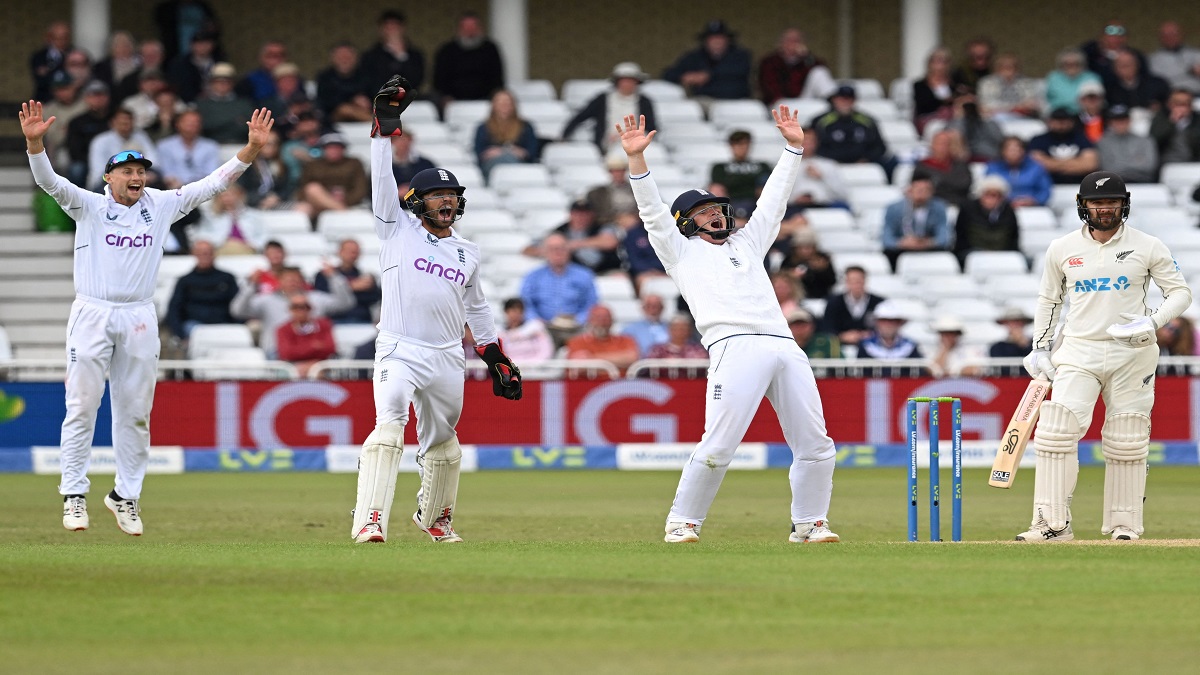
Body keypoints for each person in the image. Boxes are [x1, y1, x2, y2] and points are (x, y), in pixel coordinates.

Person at [22, 99, 273, 536]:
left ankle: (126, 497)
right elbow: (50, 183)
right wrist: (34, 143)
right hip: (93, 312)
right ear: (108, 177)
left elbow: (213, 184)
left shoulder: (160, 205)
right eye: (127, 170)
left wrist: (250, 150)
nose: (137, 176)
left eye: (141, 170)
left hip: (138, 315)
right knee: (81, 405)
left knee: (135, 412)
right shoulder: (88, 206)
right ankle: (74, 495)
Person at [619, 107, 839, 545]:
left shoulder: (748, 242)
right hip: (732, 345)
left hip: (783, 343)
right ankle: (682, 522)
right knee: (719, 446)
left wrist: (793, 148)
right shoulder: (678, 251)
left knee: (817, 443)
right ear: (685, 223)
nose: (717, 216)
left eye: (717, 208)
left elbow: (773, 203)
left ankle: (810, 523)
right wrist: (637, 161)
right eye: (704, 213)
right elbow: (651, 212)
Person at [350, 75, 521, 545]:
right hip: (399, 348)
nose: (445, 201)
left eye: (451, 196)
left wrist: (494, 355)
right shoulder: (395, 228)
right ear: (416, 202)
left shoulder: (467, 252)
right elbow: (381, 182)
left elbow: (478, 307)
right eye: (435, 196)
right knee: (389, 427)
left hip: (448, 355)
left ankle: (434, 517)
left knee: (443, 445)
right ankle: (369, 519)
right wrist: (384, 131)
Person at [1016, 170, 1191, 542]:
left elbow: (1180, 293)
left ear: (1123, 204)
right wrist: (1039, 347)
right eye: (1097, 202)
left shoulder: (1148, 245)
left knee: (1127, 436)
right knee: (1057, 430)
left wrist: (1153, 321)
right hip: (1079, 349)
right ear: (1083, 206)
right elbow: (1049, 299)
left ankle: (1124, 526)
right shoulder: (1062, 249)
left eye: (1111, 202)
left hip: (1133, 353)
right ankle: (1050, 524)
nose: (1105, 209)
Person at [231, 265, 353, 357]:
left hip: (315, 354)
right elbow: (237, 311)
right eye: (288, 279)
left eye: (296, 278)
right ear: (279, 281)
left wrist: (334, 277)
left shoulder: (317, 298)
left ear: (303, 281)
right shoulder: (266, 300)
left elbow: (346, 304)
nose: (292, 282)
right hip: (277, 353)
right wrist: (251, 285)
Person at [562, 61, 657, 152]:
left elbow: (651, 127)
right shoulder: (603, 99)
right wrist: (565, 135)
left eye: (630, 81)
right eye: (624, 80)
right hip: (607, 146)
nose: (627, 84)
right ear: (617, 82)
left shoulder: (645, 102)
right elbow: (581, 116)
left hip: (636, 146)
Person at [809, 84, 894, 178]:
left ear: (854, 101)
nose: (845, 102)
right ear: (834, 100)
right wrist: (833, 161)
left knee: (891, 163)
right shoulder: (821, 122)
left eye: (849, 99)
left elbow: (879, 147)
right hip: (829, 166)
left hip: (863, 166)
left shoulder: (867, 121)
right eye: (842, 99)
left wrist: (865, 159)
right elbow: (812, 146)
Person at [164, 240, 240, 340]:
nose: (205, 256)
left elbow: (238, 306)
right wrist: (180, 334)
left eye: (207, 253)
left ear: (214, 254)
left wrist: (238, 327)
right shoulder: (185, 281)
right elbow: (174, 309)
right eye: (201, 253)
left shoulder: (227, 278)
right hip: (194, 326)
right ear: (195, 255)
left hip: (223, 324)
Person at [519, 231, 598, 327]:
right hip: (541, 329)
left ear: (568, 250)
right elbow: (526, 305)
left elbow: (591, 304)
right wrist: (537, 322)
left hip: (576, 328)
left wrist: (577, 321)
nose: (558, 252)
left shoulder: (584, 275)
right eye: (552, 249)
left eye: (562, 248)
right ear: (545, 252)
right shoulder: (533, 277)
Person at [662, 19, 752, 102]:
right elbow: (668, 74)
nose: (716, 42)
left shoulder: (740, 56)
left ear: (727, 40)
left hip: (735, 101)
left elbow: (738, 71)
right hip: (704, 101)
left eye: (720, 38)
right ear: (705, 41)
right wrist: (685, 76)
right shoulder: (695, 57)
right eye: (712, 39)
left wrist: (708, 75)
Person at [880, 174, 951, 271]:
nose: (921, 194)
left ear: (931, 192)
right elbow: (887, 238)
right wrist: (901, 243)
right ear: (909, 191)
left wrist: (928, 242)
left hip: (928, 247)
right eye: (918, 190)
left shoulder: (939, 208)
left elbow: (944, 237)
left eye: (926, 190)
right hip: (902, 249)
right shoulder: (894, 209)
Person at [433, 11, 505, 106]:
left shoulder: (490, 49)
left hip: (485, 100)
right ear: (459, 29)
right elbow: (439, 79)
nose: (470, 30)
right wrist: (446, 96)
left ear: (480, 28)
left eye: (473, 26)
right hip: (453, 101)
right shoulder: (447, 50)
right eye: (466, 26)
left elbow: (497, 78)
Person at [294, 133, 369, 222]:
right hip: (318, 202)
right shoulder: (313, 165)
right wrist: (323, 199)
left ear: (343, 149)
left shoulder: (354, 163)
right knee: (305, 202)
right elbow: (303, 188)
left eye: (337, 147)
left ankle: (339, 210)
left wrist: (346, 198)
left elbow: (360, 188)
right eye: (329, 147)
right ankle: (342, 211)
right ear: (323, 149)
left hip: (348, 201)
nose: (333, 150)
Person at [953, 175, 1021, 269]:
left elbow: (1013, 238)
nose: (991, 199)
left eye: (995, 195)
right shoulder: (967, 210)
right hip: (972, 252)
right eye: (987, 195)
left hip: (1002, 254)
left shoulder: (1008, 212)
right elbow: (961, 237)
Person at [757, 27, 836, 105]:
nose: (792, 44)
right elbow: (769, 85)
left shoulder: (807, 60)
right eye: (789, 40)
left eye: (796, 41)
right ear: (781, 43)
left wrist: (807, 56)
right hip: (780, 102)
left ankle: (836, 104)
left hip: (803, 99)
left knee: (819, 71)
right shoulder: (770, 61)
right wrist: (779, 99)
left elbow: (821, 70)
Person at [312, 238, 381, 324]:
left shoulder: (365, 276)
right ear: (339, 252)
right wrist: (351, 286)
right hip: (333, 320)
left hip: (361, 320)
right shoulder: (325, 274)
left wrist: (342, 289)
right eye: (349, 251)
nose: (353, 254)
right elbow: (322, 297)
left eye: (356, 251)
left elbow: (373, 298)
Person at [473, 89, 538, 180]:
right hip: (491, 166)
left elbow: (532, 152)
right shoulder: (483, 128)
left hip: (519, 164)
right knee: (504, 160)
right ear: (493, 105)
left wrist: (518, 152)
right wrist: (498, 152)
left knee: (509, 159)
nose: (504, 106)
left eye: (507, 103)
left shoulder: (526, 127)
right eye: (500, 103)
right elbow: (479, 152)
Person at [86, 108, 156, 191]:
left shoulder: (141, 137)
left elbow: (154, 160)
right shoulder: (101, 141)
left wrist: (146, 174)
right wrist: (124, 178)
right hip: (106, 181)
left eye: (128, 122)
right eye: (122, 123)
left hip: (138, 177)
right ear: (112, 123)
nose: (126, 126)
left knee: (157, 180)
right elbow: (99, 170)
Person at [1028, 107, 1099, 185]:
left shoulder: (1081, 138)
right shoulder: (1039, 140)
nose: (1061, 124)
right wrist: (1075, 162)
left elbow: (1090, 164)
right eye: (1057, 120)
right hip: (1048, 185)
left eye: (1064, 120)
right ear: (1049, 122)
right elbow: (1036, 164)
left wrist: (1052, 164)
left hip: (1078, 185)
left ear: (1072, 122)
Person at [360, 10, 426, 93]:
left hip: (410, 100)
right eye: (388, 28)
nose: (392, 31)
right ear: (381, 30)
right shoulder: (370, 56)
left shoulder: (415, 55)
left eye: (395, 27)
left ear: (402, 29)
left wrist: (401, 55)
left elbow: (416, 80)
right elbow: (370, 81)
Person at [192, 182, 267, 254]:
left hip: (248, 249)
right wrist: (219, 242)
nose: (227, 199)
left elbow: (263, 235)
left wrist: (254, 245)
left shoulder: (253, 215)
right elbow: (202, 234)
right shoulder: (211, 216)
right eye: (223, 196)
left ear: (239, 195)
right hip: (220, 249)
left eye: (230, 195)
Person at [821, 265, 885, 347]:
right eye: (852, 281)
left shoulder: (879, 302)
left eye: (858, 281)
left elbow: (887, 325)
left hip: (872, 346)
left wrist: (870, 334)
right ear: (846, 282)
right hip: (839, 346)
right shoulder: (833, 302)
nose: (855, 285)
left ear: (865, 281)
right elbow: (827, 326)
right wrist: (841, 336)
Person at [785, 127, 848, 211]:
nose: (807, 144)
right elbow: (777, 196)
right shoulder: (785, 166)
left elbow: (842, 195)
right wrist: (795, 199)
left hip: (824, 207)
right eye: (804, 140)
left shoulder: (829, 165)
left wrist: (822, 177)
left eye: (810, 141)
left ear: (816, 142)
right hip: (794, 208)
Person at [566, 304, 640, 374]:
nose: (602, 322)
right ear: (589, 320)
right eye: (598, 318)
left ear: (612, 320)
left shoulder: (625, 340)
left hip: (621, 385)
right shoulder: (577, 342)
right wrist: (617, 362)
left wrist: (592, 358)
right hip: (587, 385)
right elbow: (578, 366)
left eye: (606, 318)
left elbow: (632, 359)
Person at [275, 293, 337, 377]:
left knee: (317, 370)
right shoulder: (283, 329)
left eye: (305, 306)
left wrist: (300, 350)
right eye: (296, 307)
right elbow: (286, 353)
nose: (301, 310)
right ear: (290, 309)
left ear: (310, 308)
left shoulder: (324, 325)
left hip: (320, 363)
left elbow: (330, 348)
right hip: (292, 366)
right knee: (297, 372)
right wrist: (313, 346)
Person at [194, 62, 256, 143]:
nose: (222, 84)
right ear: (211, 83)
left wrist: (216, 122)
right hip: (209, 146)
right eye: (218, 81)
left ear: (233, 83)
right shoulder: (202, 104)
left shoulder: (244, 103)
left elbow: (247, 128)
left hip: (239, 144)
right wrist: (235, 121)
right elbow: (204, 126)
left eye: (227, 81)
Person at [856, 300, 924, 373]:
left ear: (899, 323)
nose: (888, 325)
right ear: (877, 323)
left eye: (892, 321)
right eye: (884, 320)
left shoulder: (910, 346)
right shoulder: (865, 345)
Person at [710, 130, 771, 209]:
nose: (742, 147)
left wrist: (735, 182)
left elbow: (767, 188)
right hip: (730, 204)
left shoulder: (762, 166)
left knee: (768, 189)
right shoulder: (719, 167)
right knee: (715, 189)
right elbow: (718, 188)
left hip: (757, 205)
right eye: (738, 143)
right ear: (731, 145)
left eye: (745, 143)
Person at [985, 136, 1052, 207]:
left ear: (1023, 151)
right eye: (1010, 150)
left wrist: (1034, 200)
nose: (1014, 153)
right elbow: (988, 191)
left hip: (1032, 207)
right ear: (1002, 151)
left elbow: (1045, 191)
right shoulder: (993, 168)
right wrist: (1005, 201)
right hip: (1001, 208)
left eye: (1017, 149)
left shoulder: (1036, 168)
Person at [1097, 105, 1158, 183]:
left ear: (1129, 121)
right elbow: (1107, 168)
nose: (1120, 124)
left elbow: (1150, 166)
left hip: (1142, 182)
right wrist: (1136, 161)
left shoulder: (1145, 141)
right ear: (1110, 123)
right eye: (1116, 120)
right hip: (1113, 183)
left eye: (1123, 120)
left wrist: (1119, 163)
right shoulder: (1103, 142)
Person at [914, 128, 973, 208]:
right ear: (932, 146)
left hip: (959, 204)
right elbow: (919, 188)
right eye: (939, 144)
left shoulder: (960, 165)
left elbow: (964, 184)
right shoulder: (923, 165)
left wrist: (940, 182)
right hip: (931, 205)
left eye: (946, 144)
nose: (942, 147)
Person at [316, 42, 373, 123]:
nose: (344, 60)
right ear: (333, 59)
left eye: (348, 57)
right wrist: (353, 100)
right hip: (335, 118)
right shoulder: (325, 78)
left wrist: (366, 102)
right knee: (345, 110)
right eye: (340, 57)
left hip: (365, 112)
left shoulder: (366, 75)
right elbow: (327, 103)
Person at [976, 53, 1043, 121]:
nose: (1008, 71)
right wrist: (1013, 107)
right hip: (994, 118)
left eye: (1011, 67)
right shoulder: (987, 83)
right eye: (1004, 67)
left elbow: (1031, 103)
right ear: (997, 69)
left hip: (1022, 117)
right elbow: (986, 105)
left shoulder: (1026, 83)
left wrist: (1019, 108)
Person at [1104, 49, 1170, 115]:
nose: (1126, 67)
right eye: (1122, 65)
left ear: (1137, 64)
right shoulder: (1109, 89)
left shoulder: (1157, 84)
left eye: (1129, 63)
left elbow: (1169, 104)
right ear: (1114, 68)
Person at [779, 228, 836, 299]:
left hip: (821, 297)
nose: (805, 251)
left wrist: (822, 271)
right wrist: (790, 275)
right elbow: (779, 279)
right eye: (801, 248)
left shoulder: (823, 260)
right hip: (795, 300)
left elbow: (832, 281)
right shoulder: (789, 260)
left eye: (808, 247)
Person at [912, 47, 957, 135]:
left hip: (952, 120)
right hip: (929, 120)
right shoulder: (919, 85)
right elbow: (923, 105)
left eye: (944, 62)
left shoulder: (954, 85)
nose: (940, 66)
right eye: (936, 62)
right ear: (929, 64)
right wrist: (945, 102)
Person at [1044, 48, 1103, 116]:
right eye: (1067, 64)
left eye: (1076, 64)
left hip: (1085, 114)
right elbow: (1046, 99)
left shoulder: (1091, 77)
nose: (1071, 67)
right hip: (1059, 114)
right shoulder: (1053, 77)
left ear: (1082, 64)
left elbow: (1098, 101)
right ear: (1061, 65)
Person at [1148, 88, 1200, 164]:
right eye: (1178, 103)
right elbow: (1154, 141)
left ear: (1191, 105)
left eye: (1186, 103)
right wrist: (1172, 122)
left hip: (1194, 161)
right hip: (1167, 162)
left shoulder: (1197, 119)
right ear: (1169, 104)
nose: (1182, 107)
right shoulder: (1161, 117)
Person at [1148, 20, 1200, 93]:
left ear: (1181, 35)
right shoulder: (1153, 60)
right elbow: (1158, 82)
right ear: (1160, 38)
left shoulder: (1196, 54)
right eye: (1165, 35)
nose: (1170, 38)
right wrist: (1189, 72)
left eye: (1173, 34)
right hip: (1172, 97)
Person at [497, 298, 554, 363]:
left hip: (534, 369)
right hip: (510, 369)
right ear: (506, 312)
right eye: (513, 311)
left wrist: (534, 364)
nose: (516, 315)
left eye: (519, 311)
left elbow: (546, 351)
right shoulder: (499, 333)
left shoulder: (536, 328)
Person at [30, 21, 73, 100]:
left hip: (70, 101)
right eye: (58, 38)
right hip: (45, 99)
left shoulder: (75, 54)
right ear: (49, 38)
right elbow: (41, 80)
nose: (62, 41)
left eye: (65, 38)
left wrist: (49, 70)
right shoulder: (39, 56)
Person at [990, 305, 1033, 376]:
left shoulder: (1036, 345)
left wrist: (1025, 345)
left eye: (1018, 322)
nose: (1015, 325)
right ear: (1006, 324)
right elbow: (1003, 370)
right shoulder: (997, 347)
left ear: (1024, 323)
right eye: (1012, 322)